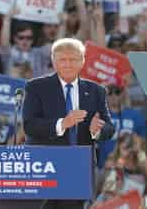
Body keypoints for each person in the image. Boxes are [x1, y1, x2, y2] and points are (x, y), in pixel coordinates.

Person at [23, 38, 114, 208]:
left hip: (78, 168)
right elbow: (30, 125)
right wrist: (62, 124)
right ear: (53, 61)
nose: (67, 64)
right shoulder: (36, 87)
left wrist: (97, 130)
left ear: (82, 61)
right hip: (45, 167)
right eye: (62, 60)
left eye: (72, 59)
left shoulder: (96, 91)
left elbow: (109, 127)